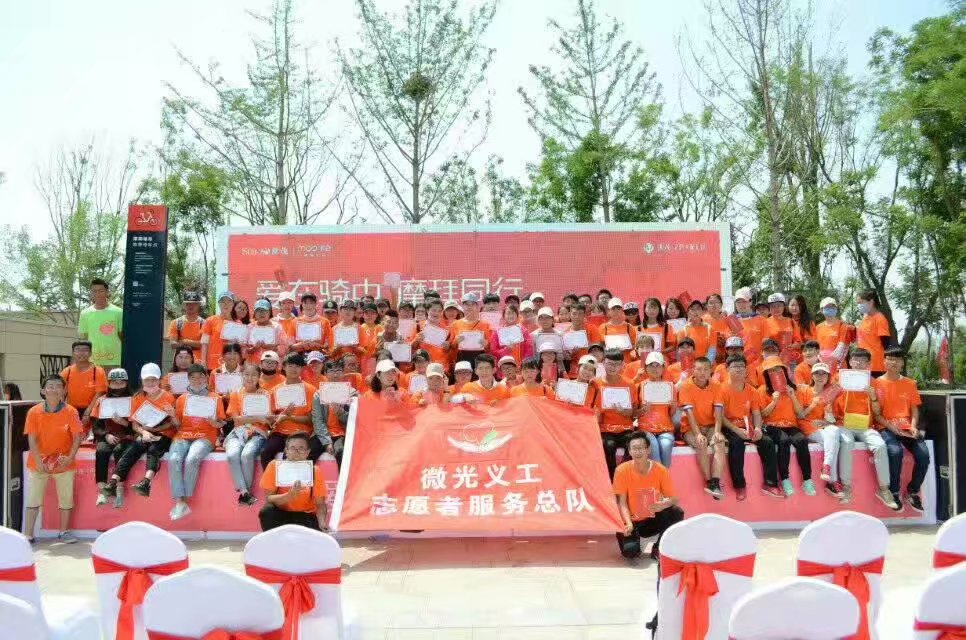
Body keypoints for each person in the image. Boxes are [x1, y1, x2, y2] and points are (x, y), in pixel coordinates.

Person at [833, 348, 898, 509]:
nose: (858, 363)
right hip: (843, 424)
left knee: (880, 446)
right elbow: (826, 400)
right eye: (855, 360)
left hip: (866, 426)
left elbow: (878, 412)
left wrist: (873, 397)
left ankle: (884, 489)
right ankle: (846, 487)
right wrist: (836, 390)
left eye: (862, 361)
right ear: (850, 362)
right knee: (847, 443)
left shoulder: (874, 382)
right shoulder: (839, 378)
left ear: (869, 364)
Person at [23, 375, 84, 544]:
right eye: (50, 386)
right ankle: (28, 535)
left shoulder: (71, 411)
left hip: (64, 463)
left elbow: (77, 437)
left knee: (66, 499)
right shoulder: (34, 412)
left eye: (58, 386)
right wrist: (38, 461)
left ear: (64, 391)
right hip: (38, 463)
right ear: (43, 391)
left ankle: (64, 532)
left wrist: (70, 457)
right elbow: (31, 439)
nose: (54, 389)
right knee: (33, 499)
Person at [103, 364, 176, 500]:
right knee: (133, 448)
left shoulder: (168, 397)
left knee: (153, 450)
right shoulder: (137, 398)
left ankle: (146, 482)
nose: (150, 383)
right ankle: (113, 481)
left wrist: (154, 430)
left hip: (164, 434)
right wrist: (144, 433)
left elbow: (172, 423)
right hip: (144, 433)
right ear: (142, 380)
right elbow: (134, 424)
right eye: (147, 380)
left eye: (154, 380)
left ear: (159, 380)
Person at [716, 356, 782, 500]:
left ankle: (770, 483)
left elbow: (756, 413)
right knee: (736, 444)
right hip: (729, 427)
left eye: (742, 366)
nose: (739, 369)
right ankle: (740, 485)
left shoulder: (752, 390)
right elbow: (720, 416)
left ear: (746, 369)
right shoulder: (721, 389)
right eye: (735, 366)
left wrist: (757, 428)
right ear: (727, 369)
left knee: (767, 442)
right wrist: (737, 430)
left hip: (747, 426)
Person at [874, 348, 930, 512]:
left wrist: (913, 426)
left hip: (907, 428)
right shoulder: (876, 384)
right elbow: (876, 414)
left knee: (924, 455)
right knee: (895, 452)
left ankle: (912, 491)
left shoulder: (910, 383)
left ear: (902, 363)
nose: (894, 362)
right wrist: (893, 428)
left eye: (897, 359)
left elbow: (914, 409)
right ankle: (894, 492)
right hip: (886, 427)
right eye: (890, 359)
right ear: (884, 362)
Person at [613, 433, 684, 559]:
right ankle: (632, 540)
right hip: (630, 521)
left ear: (648, 449)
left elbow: (674, 499)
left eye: (641, 448)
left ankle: (659, 548)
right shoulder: (621, 470)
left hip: (651, 520)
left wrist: (663, 504)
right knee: (630, 552)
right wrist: (628, 523)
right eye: (634, 448)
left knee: (676, 512)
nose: (638, 452)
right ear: (629, 451)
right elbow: (622, 502)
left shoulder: (661, 470)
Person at [169, 363, 226, 520]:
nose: (197, 380)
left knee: (192, 458)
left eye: (200, 377)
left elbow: (221, 423)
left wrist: (213, 422)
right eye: (193, 377)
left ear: (206, 378)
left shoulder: (215, 398)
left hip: (205, 436)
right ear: (188, 379)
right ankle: (180, 502)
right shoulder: (182, 399)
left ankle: (184, 501)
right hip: (183, 436)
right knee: (174, 459)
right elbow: (178, 425)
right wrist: (172, 416)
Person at [798, 362, 852, 503]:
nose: (820, 376)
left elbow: (831, 419)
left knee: (834, 432)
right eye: (817, 373)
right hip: (807, 425)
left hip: (823, 428)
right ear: (812, 376)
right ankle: (832, 481)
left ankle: (827, 467)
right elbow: (799, 415)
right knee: (834, 441)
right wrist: (812, 405)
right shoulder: (803, 390)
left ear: (828, 377)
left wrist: (825, 422)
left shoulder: (830, 394)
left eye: (824, 374)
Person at [759, 356, 813, 496]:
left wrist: (792, 395)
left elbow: (800, 414)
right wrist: (774, 401)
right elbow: (763, 414)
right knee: (784, 440)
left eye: (778, 369)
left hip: (791, 425)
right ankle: (785, 478)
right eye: (771, 370)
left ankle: (807, 479)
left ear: (784, 370)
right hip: (771, 426)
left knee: (802, 440)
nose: (775, 372)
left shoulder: (794, 389)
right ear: (766, 374)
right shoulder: (763, 390)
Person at [258, 433, 329, 531]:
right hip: (281, 514)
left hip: (305, 516)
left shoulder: (314, 470)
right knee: (267, 511)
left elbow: (320, 504)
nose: (297, 452)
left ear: (308, 452)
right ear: (286, 451)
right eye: (292, 448)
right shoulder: (274, 466)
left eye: (301, 448)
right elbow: (269, 499)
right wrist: (289, 495)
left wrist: (322, 522)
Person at [261, 352, 320, 468]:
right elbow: (271, 420)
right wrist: (275, 418)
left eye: (297, 366)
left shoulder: (311, 390)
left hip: (302, 433)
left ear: (302, 368)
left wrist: (289, 417)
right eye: (290, 365)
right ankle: (271, 480)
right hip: (279, 432)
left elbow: (311, 420)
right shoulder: (275, 390)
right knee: (265, 453)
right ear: (283, 367)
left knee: (288, 457)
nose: (294, 369)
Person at [678, 357, 726, 499]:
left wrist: (717, 432)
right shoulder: (686, 386)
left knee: (719, 442)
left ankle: (716, 482)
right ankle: (709, 481)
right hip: (690, 428)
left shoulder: (716, 386)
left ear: (710, 370)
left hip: (710, 426)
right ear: (693, 370)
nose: (702, 372)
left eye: (706, 369)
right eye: (699, 369)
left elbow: (718, 411)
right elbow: (689, 413)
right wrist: (698, 434)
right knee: (701, 443)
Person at [225, 364, 271, 506]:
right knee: (232, 455)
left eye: (254, 375)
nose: (250, 378)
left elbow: (268, 420)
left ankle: (245, 493)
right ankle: (245, 493)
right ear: (241, 376)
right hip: (237, 433)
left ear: (259, 377)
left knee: (247, 455)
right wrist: (257, 418)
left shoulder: (265, 394)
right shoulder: (235, 394)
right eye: (246, 374)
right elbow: (237, 420)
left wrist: (261, 419)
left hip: (258, 433)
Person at [91, 369, 135, 508]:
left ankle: (119, 490)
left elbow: (138, 425)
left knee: (119, 451)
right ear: (109, 384)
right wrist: (106, 435)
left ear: (126, 383)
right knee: (101, 451)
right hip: (107, 436)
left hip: (127, 437)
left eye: (121, 382)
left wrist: (124, 423)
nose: (118, 385)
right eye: (114, 382)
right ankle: (102, 491)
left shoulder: (133, 400)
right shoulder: (102, 400)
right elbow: (95, 425)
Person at [593, 349, 639, 478]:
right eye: (609, 364)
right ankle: (612, 478)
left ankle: (626, 476)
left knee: (633, 445)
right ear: (603, 363)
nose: (613, 367)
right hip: (605, 429)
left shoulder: (629, 384)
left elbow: (633, 412)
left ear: (622, 365)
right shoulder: (596, 383)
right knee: (609, 445)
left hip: (625, 428)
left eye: (617, 364)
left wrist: (624, 412)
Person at [311, 359, 354, 467]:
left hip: (343, 434)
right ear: (325, 373)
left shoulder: (352, 393)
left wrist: (340, 413)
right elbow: (318, 420)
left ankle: (343, 479)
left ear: (343, 373)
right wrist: (327, 442)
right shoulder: (318, 394)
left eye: (339, 371)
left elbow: (354, 420)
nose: (335, 375)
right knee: (307, 452)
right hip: (323, 433)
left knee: (341, 453)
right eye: (331, 371)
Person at [636, 353, 676, 467]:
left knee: (666, 445)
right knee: (652, 445)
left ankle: (663, 475)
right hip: (645, 428)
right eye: (651, 365)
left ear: (663, 368)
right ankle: (660, 475)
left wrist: (674, 406)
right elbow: (634, 413)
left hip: (665, 428)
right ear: (646, 368)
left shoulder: (670, 387)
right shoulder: (640, 386)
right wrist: (642, 410)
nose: (655, 368)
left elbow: (671, 414)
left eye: (658, 365)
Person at [77, 278, 124, 369]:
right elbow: (84, 339)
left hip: (114, 361)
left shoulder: (119, 312)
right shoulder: (85, 313)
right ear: (91, 293)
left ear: (107, 292)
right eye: (94, 291)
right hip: (92, 362)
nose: (97, 294)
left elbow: (122, 336)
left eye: (101, 291)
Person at [60, 340, 108, 427]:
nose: (81, 353)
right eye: (78, 350)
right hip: (72, 411)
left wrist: (87, 413)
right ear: (73, 353)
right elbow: (61, 393)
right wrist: (62, 410)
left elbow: (100, 393)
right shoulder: (67, 371)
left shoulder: (98, 371)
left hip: (93, 411)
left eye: (85, 350)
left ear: (90, 353)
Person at [450, 293, 492, 369]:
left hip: (480, 360)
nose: (469, 307)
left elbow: (490, 346)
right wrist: (456, 341)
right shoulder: (455, 324)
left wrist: (486, 344)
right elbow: (452, 346)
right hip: (462, 359)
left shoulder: (485, 325)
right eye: (466, 304)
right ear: (462, 306)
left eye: (472, 304)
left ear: (477, 307)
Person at [856, 289, 892, 377]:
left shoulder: (879, 318)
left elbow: (886, 343)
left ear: (871, 302)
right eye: (858, 303)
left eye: (861, 302)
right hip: (863, 364)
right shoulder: (865, 318)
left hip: (876, 366)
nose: (859, 305)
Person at [201, 291, 237, 372]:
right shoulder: (210, 320)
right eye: (223, 302)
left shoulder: (237, 323)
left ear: (233, 304)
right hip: (213, 364)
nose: (226, 304)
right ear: (219, 304)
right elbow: (204, 343)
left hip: (231, 365)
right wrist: (203, 362)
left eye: (229, 301)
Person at [167, 291, 205, 363]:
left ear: (198, 305)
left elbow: (205, 344)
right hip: (180, 363)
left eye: (194, 303)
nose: (190, 306)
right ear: (184, 305)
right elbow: (172, 344)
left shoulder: (204, 323)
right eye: (188, 303)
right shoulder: (176, 322)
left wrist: (185, 342)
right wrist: (195, 344)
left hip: (198, 363)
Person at [732, 287, 766, 365]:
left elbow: (766, 343)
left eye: (744, 301)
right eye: (738, 302)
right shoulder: (732, 321)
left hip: (758, 364)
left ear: (750, 302)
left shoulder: (761, 320)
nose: (741, 305)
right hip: (739, 364)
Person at [247, 299, 286, 365]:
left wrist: (272, 348)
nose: (261, 313)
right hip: (253, 366)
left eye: (264, 310)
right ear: (254, 313)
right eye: (258, 310)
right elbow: (243, 349)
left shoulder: (277, 327)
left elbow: (284, 349)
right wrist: (253, 349)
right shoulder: (249, 327)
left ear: (269, 312)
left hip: (272, 365)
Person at [815, 297, 851, 364]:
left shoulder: (843, 326)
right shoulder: (818, 327)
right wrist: (820, 359)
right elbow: (815, 347)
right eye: (828, 307)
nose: (831, 309)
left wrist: (830, 360)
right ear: (822, 310)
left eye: (833, 307)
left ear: (836, 309)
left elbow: (843, 347)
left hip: (838, 364)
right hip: (822, 365)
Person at [641, 297, 676, 363]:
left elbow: (673, 346)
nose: (652, 310)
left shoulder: (667, 327)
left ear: (659, 310)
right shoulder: (639, 328)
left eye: (654, 308)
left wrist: (661, 351)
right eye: (649, 308)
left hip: (661, 361)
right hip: (645, 361)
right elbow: (637, 346)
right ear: (645, 310)